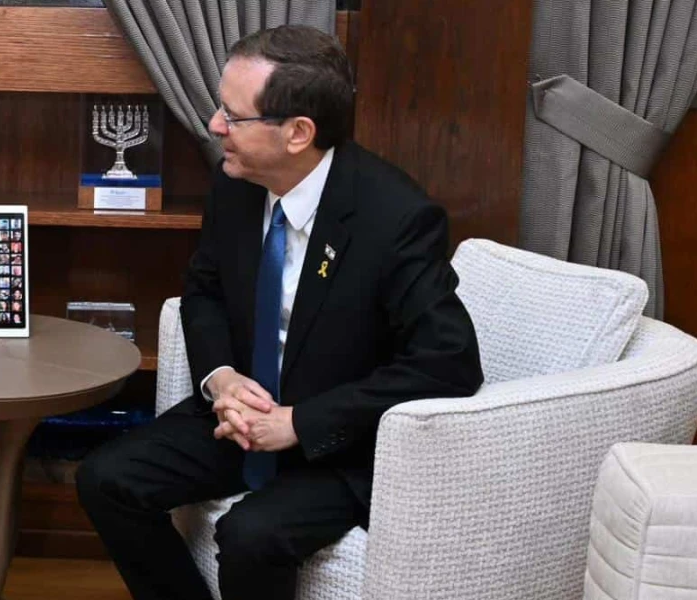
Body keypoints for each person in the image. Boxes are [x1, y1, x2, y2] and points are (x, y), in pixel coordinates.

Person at [75, 25, 483, 600]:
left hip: (337, 442)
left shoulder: (396, 218)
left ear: (298, 133)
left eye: (233, 117)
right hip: (242, 414)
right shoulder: (238, 185)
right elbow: (204, 290)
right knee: (107, 480)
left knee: (250, 534)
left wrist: (300, 423)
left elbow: (450, 363)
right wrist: (221, 379)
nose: (215, 126)